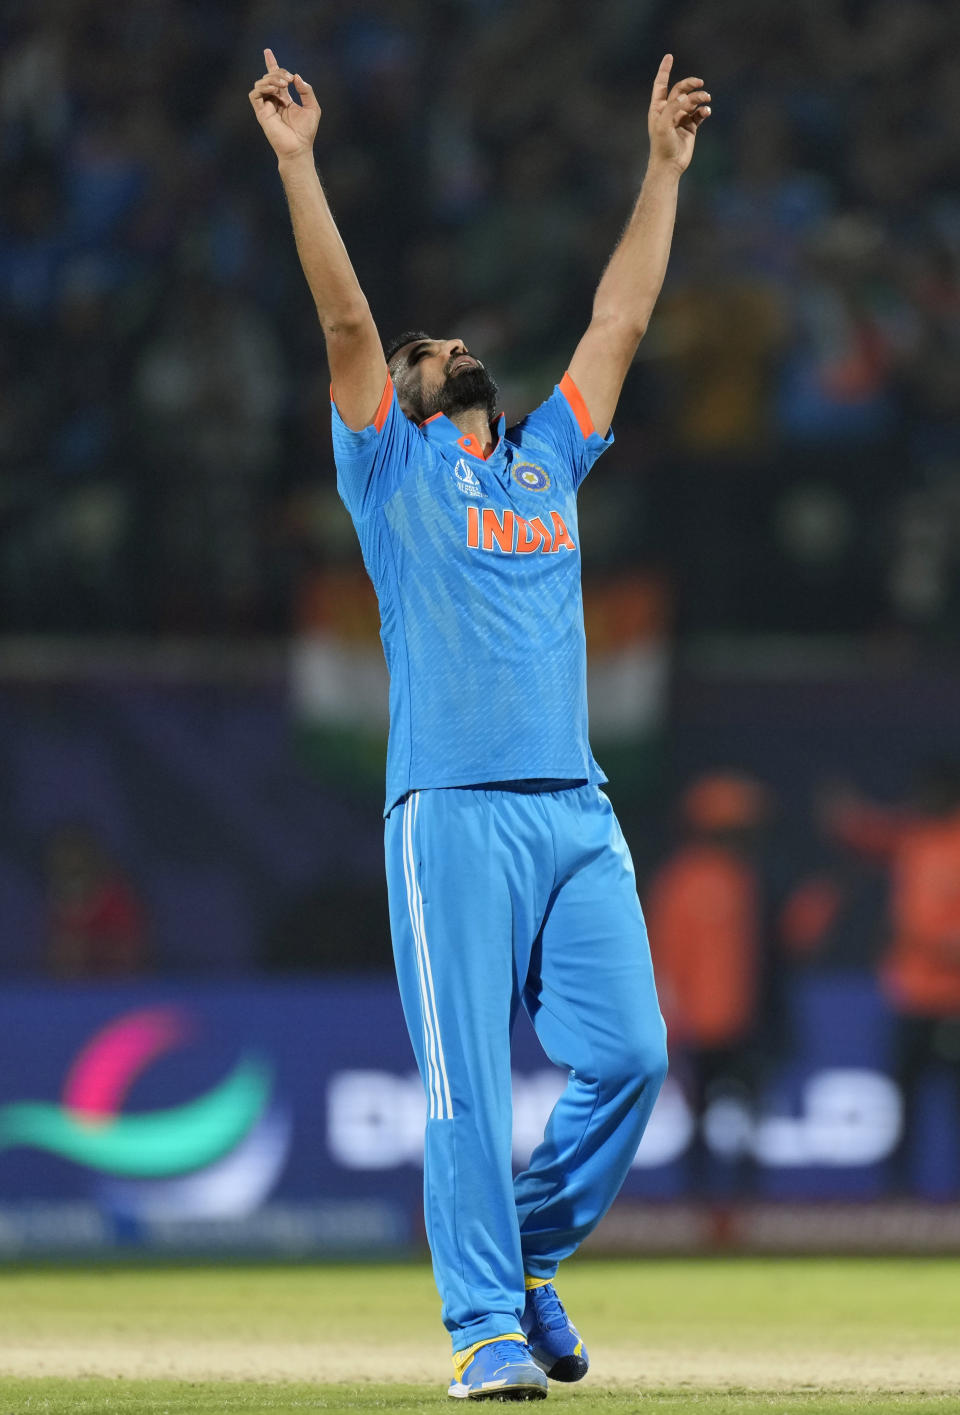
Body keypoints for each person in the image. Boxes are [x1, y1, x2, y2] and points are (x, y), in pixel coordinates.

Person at [250, 47, 710, 1402]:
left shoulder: (548, 459)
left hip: (572, 809)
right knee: (464, 1082)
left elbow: (620, 321)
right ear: (402, 393)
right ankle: (485, 1333)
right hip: (446, 812)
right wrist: (297, 163)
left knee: (632, 1053)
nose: (440, 345)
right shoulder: (388, 472)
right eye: (421, 349)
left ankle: (530, 1256)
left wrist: (663, 169)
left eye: (444, 345)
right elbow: (345, 327)